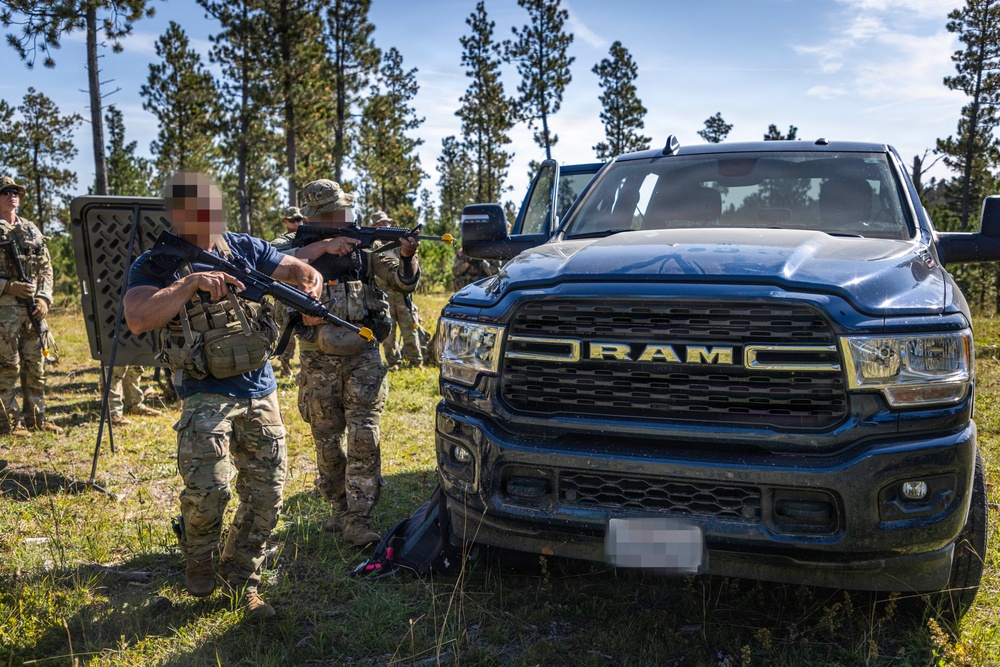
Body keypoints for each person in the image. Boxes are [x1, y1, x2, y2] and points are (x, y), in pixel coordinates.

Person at [123, 171, 324, 618]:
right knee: (208, 489)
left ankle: (243, 577)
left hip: (260, 386)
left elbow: (298, 268)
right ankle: (199, 559)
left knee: (268, 493)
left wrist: (311, 285)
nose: (208, 215)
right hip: (203, 391)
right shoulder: (158, 262)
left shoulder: (243, 248)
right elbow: (138, 317)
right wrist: (189, 283)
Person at [272, 181, 420, 547]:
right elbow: (268, 264)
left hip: (363, 357)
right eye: (334, 213)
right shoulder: (292, 246)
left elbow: (403, 283)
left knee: (364, 435)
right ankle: (339, 509)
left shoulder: (362, 248)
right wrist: (322, 246)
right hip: (317, 360)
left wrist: (407, 256)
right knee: (326, 439)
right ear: (319, 216)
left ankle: (359, 517)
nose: (343, 218)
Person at [0, 175, 61, 435]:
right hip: (5, 311)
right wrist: (7, 286)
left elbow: (46, 268)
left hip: (33, 310)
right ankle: (9, 423)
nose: (12, 195)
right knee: (8, 367)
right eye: (6, 191)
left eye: (15, 191)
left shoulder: (31, 228)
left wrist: (44, 298)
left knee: (36, 364)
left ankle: (37, 418)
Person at [371, 210, 423, 370]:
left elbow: (412, 266)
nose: (385, 225)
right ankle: (393, 362)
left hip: (402, 296)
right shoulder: (373, 246)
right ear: (375, 226)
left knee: (410, 329)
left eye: (387, 222)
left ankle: (416, 361)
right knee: (389, 332)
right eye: (381, 223)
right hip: (384, 296)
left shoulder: (401, 243)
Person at [271, 206, 305, 377]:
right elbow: (274, 257)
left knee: (307, 334)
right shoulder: (282, 241)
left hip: (305, 294)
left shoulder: (309, 238)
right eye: (293, 220)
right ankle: (286, 370)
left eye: (299, 219)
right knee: (286, 335)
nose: (297, 222)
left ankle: (306, 368)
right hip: (286, 296)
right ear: (286, 222)